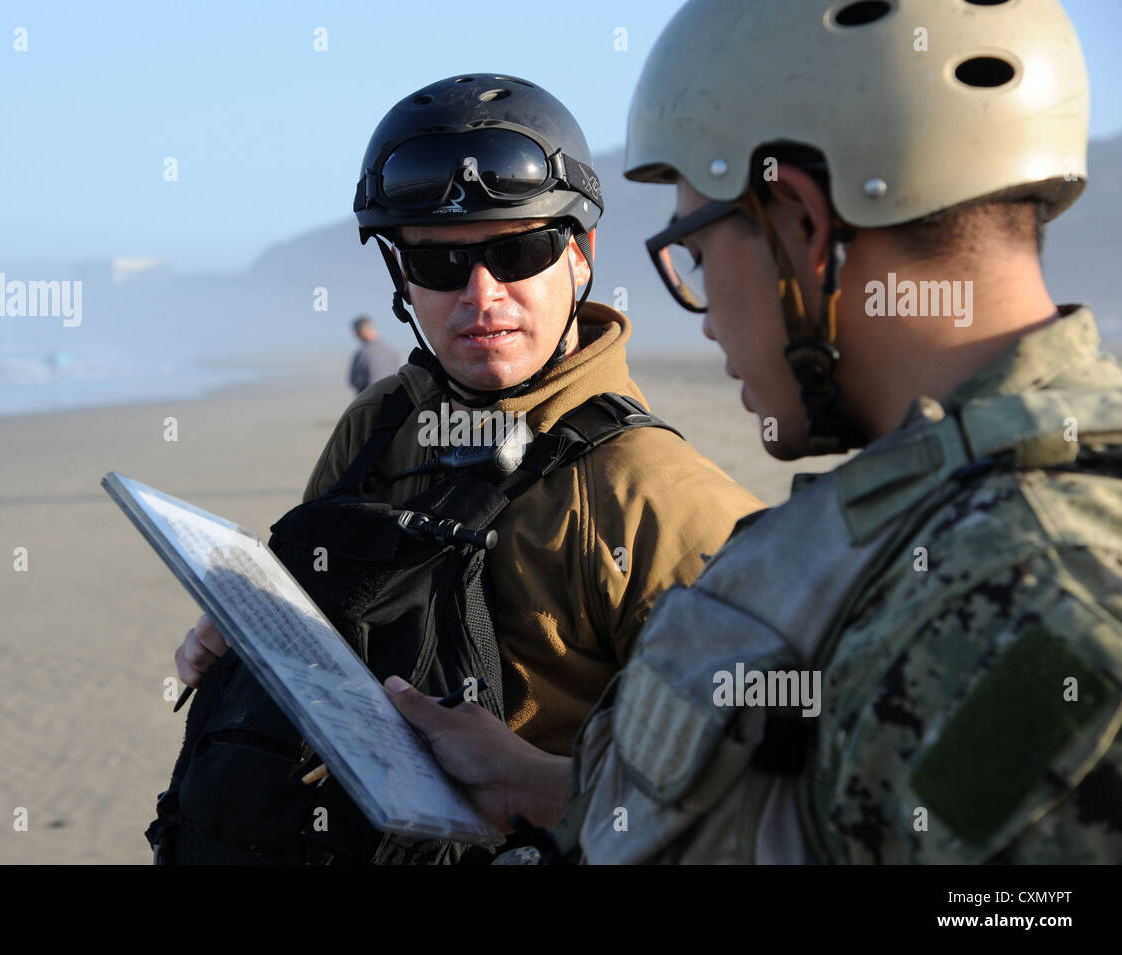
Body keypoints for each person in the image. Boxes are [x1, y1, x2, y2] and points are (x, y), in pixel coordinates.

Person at [384, 0, 1122, 864]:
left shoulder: (1044, 606)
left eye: (695, 251)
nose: (703, 322)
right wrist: (536, 782)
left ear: (801, 223)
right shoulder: (940, 519)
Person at [165, 73, 762, 862]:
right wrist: (255, 636)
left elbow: (758, 806)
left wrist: (535, 780)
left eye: (518, 252)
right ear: (400, 276)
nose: (482, 296)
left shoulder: (658, 495)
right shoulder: (378, 428)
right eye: (441, 266)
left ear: (579, 256)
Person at [348, 315, 401, 393]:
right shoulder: (391, 349)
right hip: (392, 396)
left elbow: (359, 380)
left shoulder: (365, 352)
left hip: (371, 399)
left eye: (356, 332)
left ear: (361, 331)